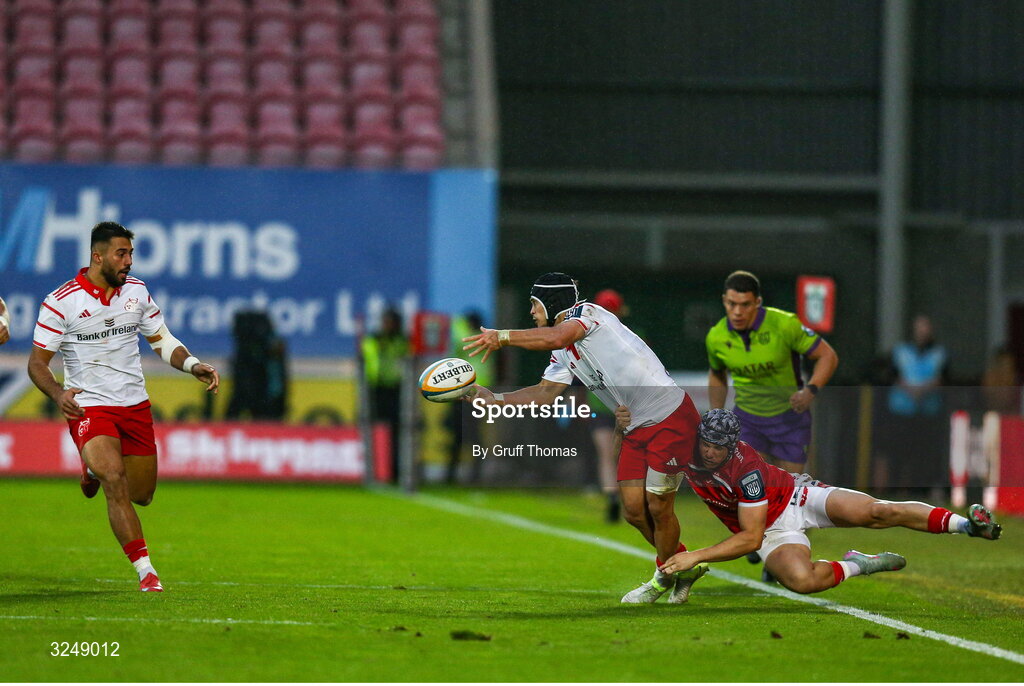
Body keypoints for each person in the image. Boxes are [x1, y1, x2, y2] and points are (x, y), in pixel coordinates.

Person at [463, 272, 708, 604]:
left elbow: (556, 336)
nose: (532, 312)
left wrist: (502, 336)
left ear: (552, 304)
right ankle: (685, 566)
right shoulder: (563, 350)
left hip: (669, 415)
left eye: (534, 305)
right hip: (635, 425)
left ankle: (664, 577)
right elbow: (545, 393)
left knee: (658, 505)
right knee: (634, 512)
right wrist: (496, 399)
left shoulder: (588, 314)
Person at [27, 222, 220, 592]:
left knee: (141, 495)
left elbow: (161, 339)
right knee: (114, 479)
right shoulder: (61, 301)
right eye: (121, 253)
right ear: (97, 256)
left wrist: (193, 364)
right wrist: (58, 395)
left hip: (134, 405)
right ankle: (146, 571)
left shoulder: (136, 291)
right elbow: (37, 364)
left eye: (130, 253)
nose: (129, 261)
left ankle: (91, 470)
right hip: (90, 405)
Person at [655, 408, 1001, 594]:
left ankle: (968, 525)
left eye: (719, 446)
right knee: (802, 583)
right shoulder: (686, 448)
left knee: (879, 511)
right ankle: (858, 565)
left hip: (797, 497)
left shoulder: (747, 471)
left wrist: (695, 556)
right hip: (775, 531)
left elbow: (750, 538)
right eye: (707, 443)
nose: (711, 451)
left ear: (732, 446)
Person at [706, 270, 839, 474]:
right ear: (724, 301)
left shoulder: (785, 325)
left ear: (758, 302)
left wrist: (810, 390)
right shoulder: (716, 337)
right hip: (748, 420)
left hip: (790, 418)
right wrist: (717, 414)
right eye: (732, 304)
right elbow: (717, 373)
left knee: (790, 488)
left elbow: (827, 356)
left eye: (745, 304)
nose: (737, 312)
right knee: (753, 486)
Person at [886, 314, 949, 498]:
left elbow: (945, 378)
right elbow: (892, 375)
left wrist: (924, 389)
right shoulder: (901, 351)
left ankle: (921, 491)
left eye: (926, 328)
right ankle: (894, 490)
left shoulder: (939, 353)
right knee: (898, 451)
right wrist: (910, 389)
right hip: (901, 411)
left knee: (923, 453)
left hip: (927, 413)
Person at [589, 289, 630, 523]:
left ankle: (612, 497)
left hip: (602, 405)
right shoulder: (630, 337)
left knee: (606, 455)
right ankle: (626, 498)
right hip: (625, 405)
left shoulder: (587, 338)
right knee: (624, 455)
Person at [361, 306, 410, 483]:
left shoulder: (402, 340)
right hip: (375, 389)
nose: (387, 325)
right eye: (385, 321)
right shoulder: (374, 339)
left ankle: (395, 472)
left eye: (390, 322)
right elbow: (367, 356)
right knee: (375, 432)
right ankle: (375, 471)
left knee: (397, 433)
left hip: (396, 389)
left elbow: (407, 358)